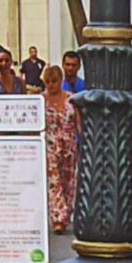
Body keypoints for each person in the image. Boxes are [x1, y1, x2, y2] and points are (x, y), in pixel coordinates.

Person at [41, 64, 78, 233]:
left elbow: (79, 123)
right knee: (54, 181)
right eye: (47, 82)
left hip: (69, 144)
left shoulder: (72, 99)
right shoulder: (41, 100)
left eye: (54, 81)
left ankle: (66, 212)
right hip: (50, 144)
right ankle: (58, 218)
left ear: (60, 80)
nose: (51, 85)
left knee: (68, 180)